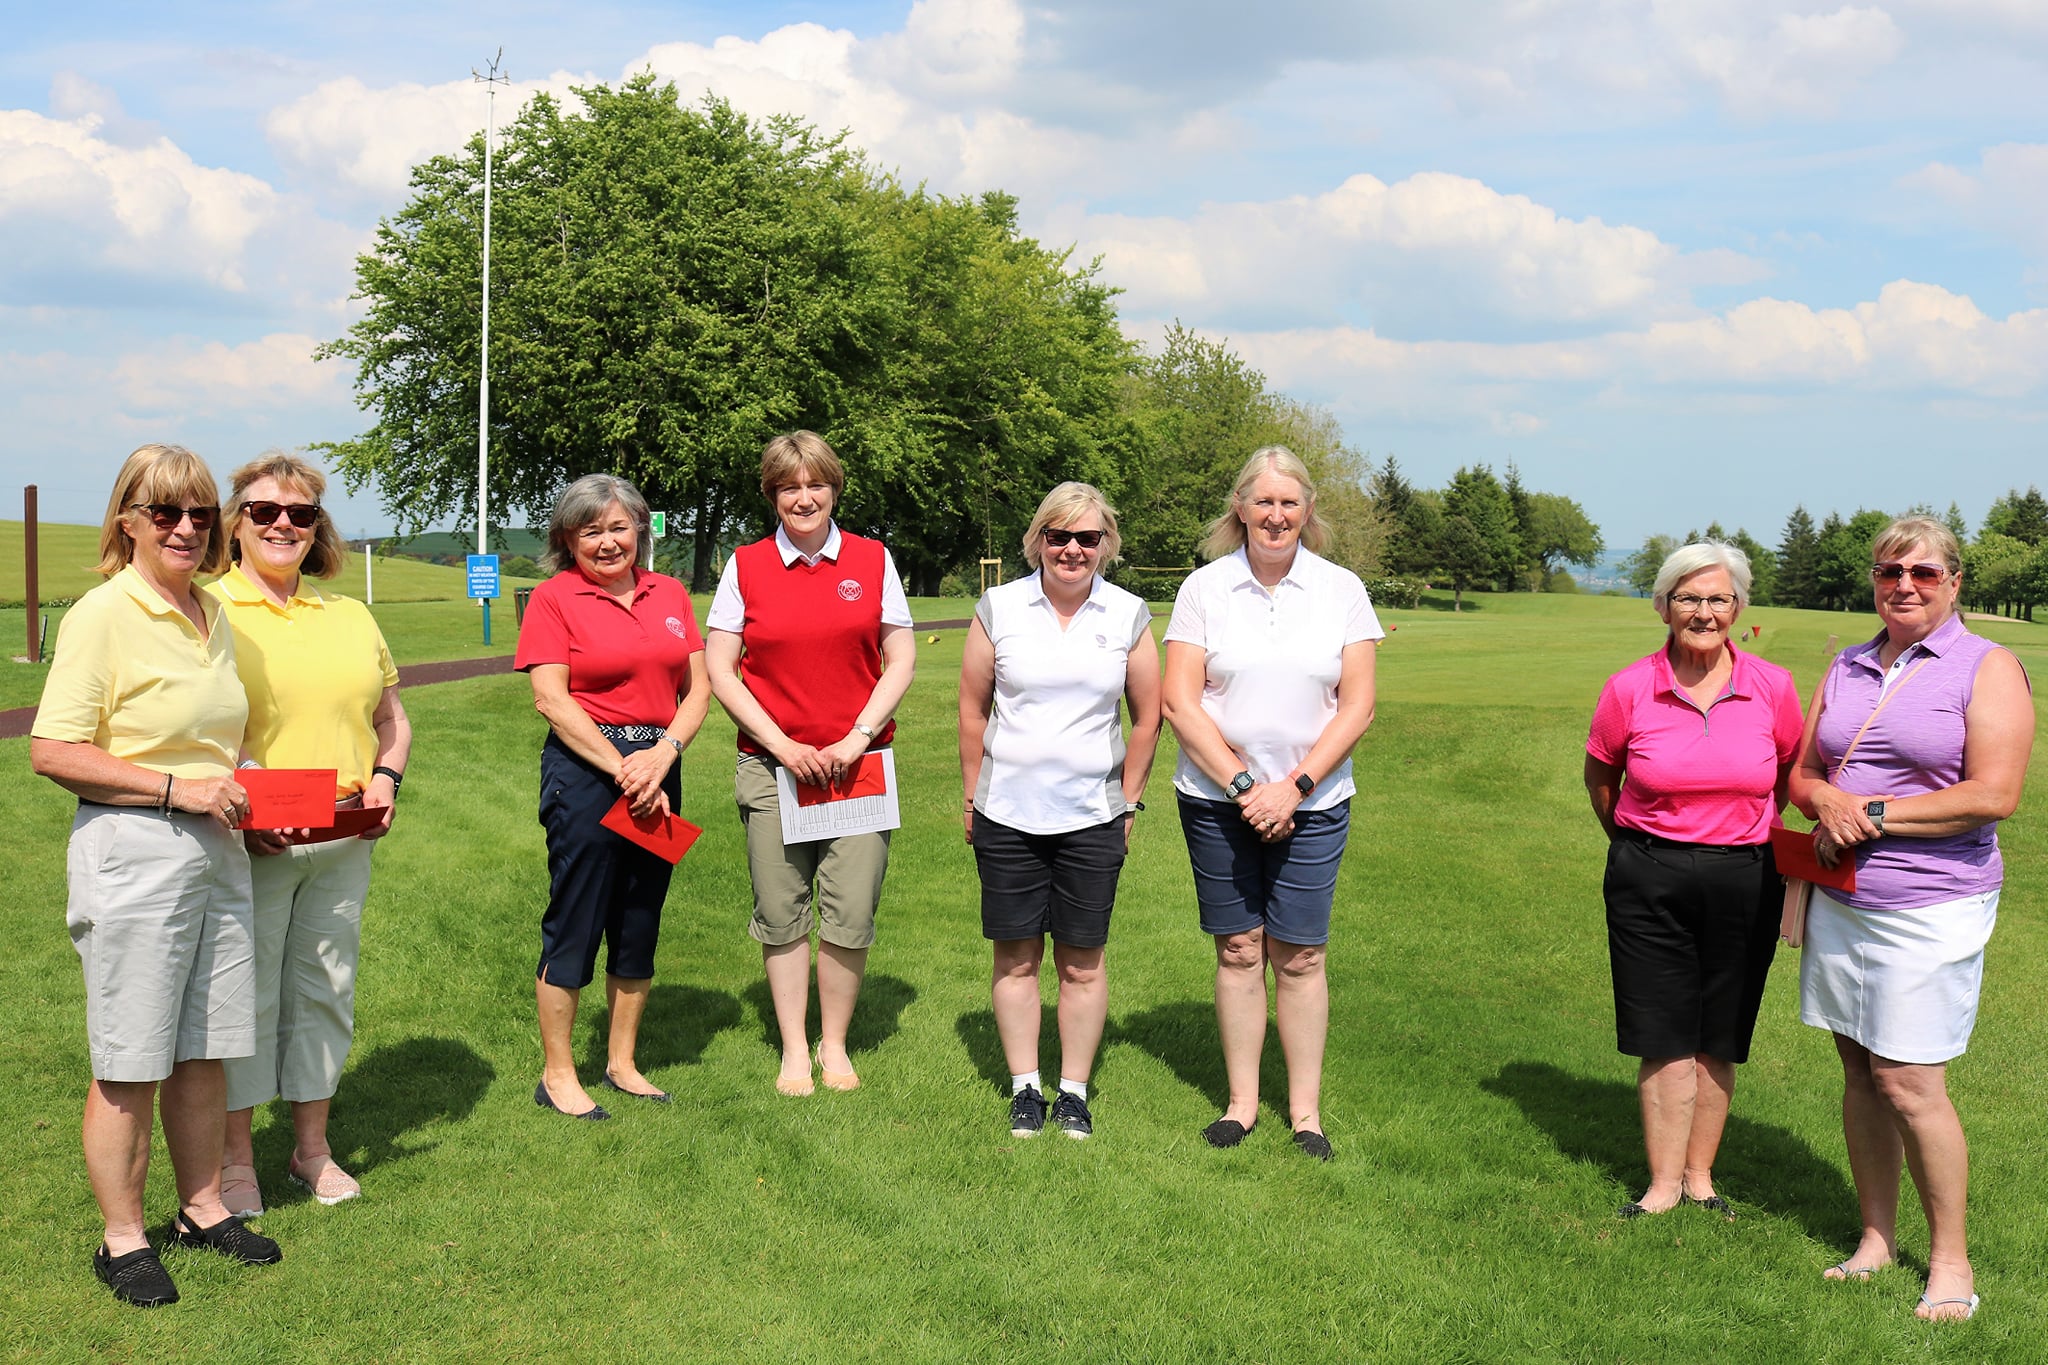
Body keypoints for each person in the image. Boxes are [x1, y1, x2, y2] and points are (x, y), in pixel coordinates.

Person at [30, 444, 281, 1308]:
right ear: (127, 520)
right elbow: (51, 748)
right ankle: (122, 1237)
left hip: (216, 847)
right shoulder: (104, 613)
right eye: (165, 512)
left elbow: (215, 740)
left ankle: (203, 1208)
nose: (185, 527)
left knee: (205, 1046)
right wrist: (180, 787)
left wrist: (250, 798)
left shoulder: (211, 611)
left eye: (201, 513)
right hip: (136, 847)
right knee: (131, 1055)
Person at [1791, 515, 2033, 1321]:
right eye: (1890, 571)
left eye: (1924, 573)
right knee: (1858, 1069)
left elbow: (1994, 793)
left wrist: (1870, 812)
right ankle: (1875, 1237)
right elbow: (1804, 769)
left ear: (1955, 582)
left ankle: (1953, 1263)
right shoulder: (1850, 663)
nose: (1904, 585)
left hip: (1932, 904)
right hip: (1843, 894)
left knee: (1911, 1079)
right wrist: (1825, 798)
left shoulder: (1987, 666)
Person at [1161, 446, 1381, 1161]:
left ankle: (1306, 1112)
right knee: (1238, 948)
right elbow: (1179, 701)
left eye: (1290, 503)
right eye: (1263, 502)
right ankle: (1242, 1102)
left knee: (1301, 956)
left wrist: (1295, 787)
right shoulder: (1205, 588)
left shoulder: (1342, 589)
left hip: (1313, 803)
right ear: (1241, 509)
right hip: (1219, 799)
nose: (1276, 515)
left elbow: (1358, 705)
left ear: (1307, 511)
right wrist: (1245, 785)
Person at [208, 452, 412, 1214]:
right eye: (264, 511)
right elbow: (195, 728)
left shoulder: (349, 614)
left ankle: (311, 1150)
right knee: (243, 997)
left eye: (300, 513)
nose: (283, 524)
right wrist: (246, 799)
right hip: (247, 841)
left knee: (326, 989)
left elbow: (390, 717)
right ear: (237, 522)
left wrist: (387, 777)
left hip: (343, 841)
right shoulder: (209, 607)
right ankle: (234, 1165)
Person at [1582, 542, 1803, 1220]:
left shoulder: (1772, 684)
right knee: (1664, 1032)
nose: (1703, 611)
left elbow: (1790, 772)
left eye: (1716, 598)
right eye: (1688, 597)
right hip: (1649, 872)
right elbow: (1601, 778)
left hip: (1745, 876)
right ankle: (1660, 1183)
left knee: (1718, 1033)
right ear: (1664, 606)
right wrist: (1640, 844)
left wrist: (1737, 829)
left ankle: (1700, 1177)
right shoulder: (1629, 686)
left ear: (1737, 606)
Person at [706, 431, 916, 1097]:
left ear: (834, 488)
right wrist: (783, 745)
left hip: (859, 767)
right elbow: (721, 666)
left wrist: (857, 736)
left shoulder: (873, 558)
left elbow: (901, 655)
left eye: (815, 483)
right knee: (782, 909)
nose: (804, 497)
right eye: (789, 486)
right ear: (772, 493)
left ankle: (834, 1044)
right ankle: (794, 1048)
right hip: (772, 770)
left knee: (850, 909)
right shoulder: (745, 566)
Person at [959, 483, 1162, 1140]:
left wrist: (1128, 801)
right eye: (1059, 535)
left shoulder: (1127, 614)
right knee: (1016, 956)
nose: (1072, 549)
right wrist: (972, 795)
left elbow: (1148, 716)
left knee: (1082, 959)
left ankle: (1073, 1089)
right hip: (1008, 812)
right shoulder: (1000, 607)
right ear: (1038, 540)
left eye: (1087, 538)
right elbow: (972, 708)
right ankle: (1026, 1086)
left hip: (1091, 816)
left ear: (1105, 546)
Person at [514, 474, 711, 1120]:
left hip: (659, 769)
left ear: (641, 530)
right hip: (585, 773)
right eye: (590, 530)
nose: (607, 541)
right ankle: (559, 1073)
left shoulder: (672, 593)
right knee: (577, 916)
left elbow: (698, 690)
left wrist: (663, 756)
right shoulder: (552, 598)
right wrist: (623, 764)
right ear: (567, 539)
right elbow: (551, 696)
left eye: (618, 526)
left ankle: (623, 1063)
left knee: (639, 917)